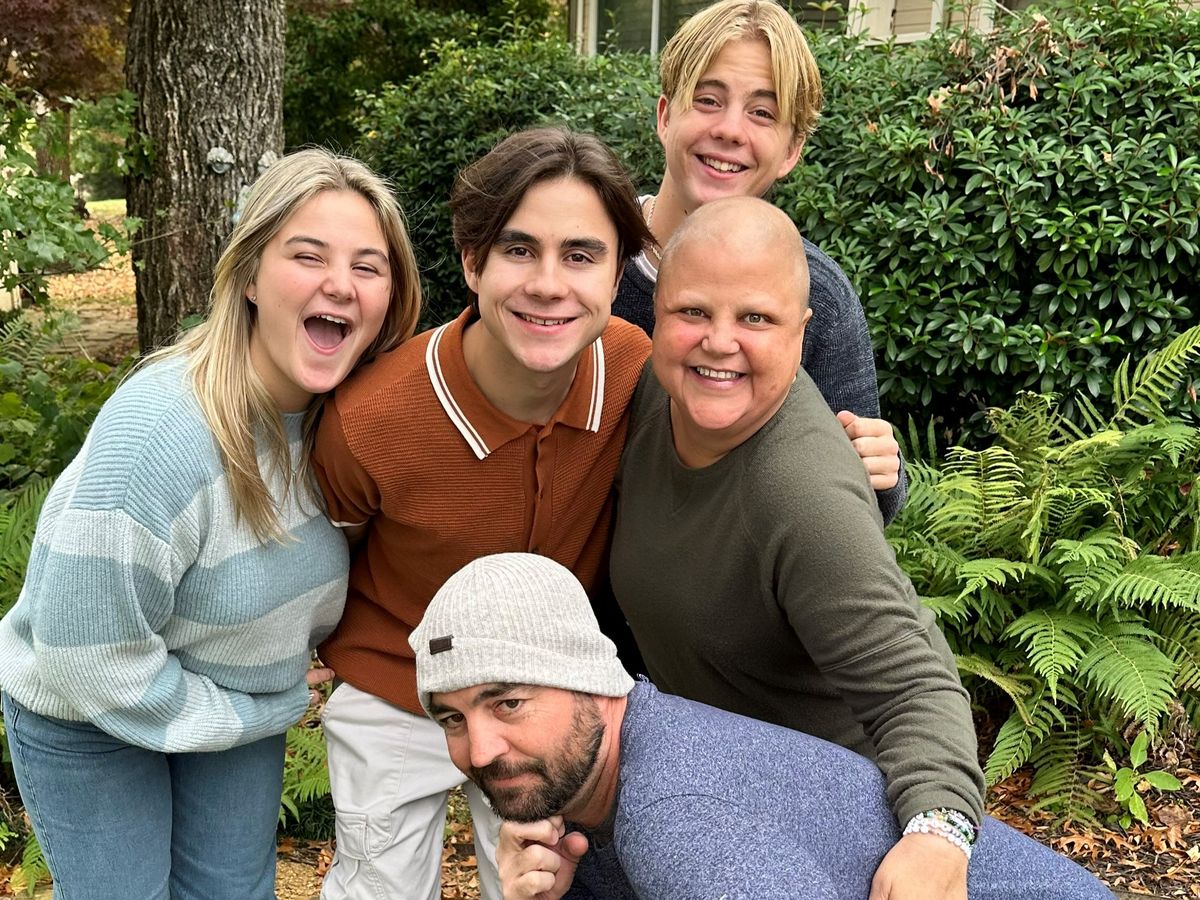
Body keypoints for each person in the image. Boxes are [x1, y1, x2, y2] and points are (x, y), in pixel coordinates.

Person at [0, 148, 421, 900]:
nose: (340, 283)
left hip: (232, 694)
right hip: (90, 704)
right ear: (250, 275)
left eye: (368, 266)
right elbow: (85, 654)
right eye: (308, 255)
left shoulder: (359, 430)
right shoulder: (161, 433)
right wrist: (263, 708)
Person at [610, 195, 994, 898]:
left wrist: (938, 835)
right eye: (693, 311)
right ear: (656, 313)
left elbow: (914, 683)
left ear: (802, 330)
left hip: (832, 812)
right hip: (710, 774)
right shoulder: (654, 394)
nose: (718, 341)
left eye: (756, 318)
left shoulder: (801, 492)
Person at [310, 127, 653, 900]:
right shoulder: (373, 419)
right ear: (472, 261)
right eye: (518, 250)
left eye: (581, 255)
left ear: (617, 274)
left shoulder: (633, 369)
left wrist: (851, 451)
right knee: (380, 889)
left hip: (544, 694)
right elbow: (331, 542)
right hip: (396, 684)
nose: (548, 284)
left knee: (538, 886)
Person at [410, 552, 1115, 900]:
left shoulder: (676, 817)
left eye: (508, 703)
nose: (481, 750)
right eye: (451, 717)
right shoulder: (590, 793)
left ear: (592, 679)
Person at [611, 0, 906, 522]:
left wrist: (883, 472)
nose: (730, 129)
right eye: (707, 100)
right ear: (665, 116)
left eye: (762, 113)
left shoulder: (818, 296)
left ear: (791, 150)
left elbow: (854, 499)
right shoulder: (588, 259)